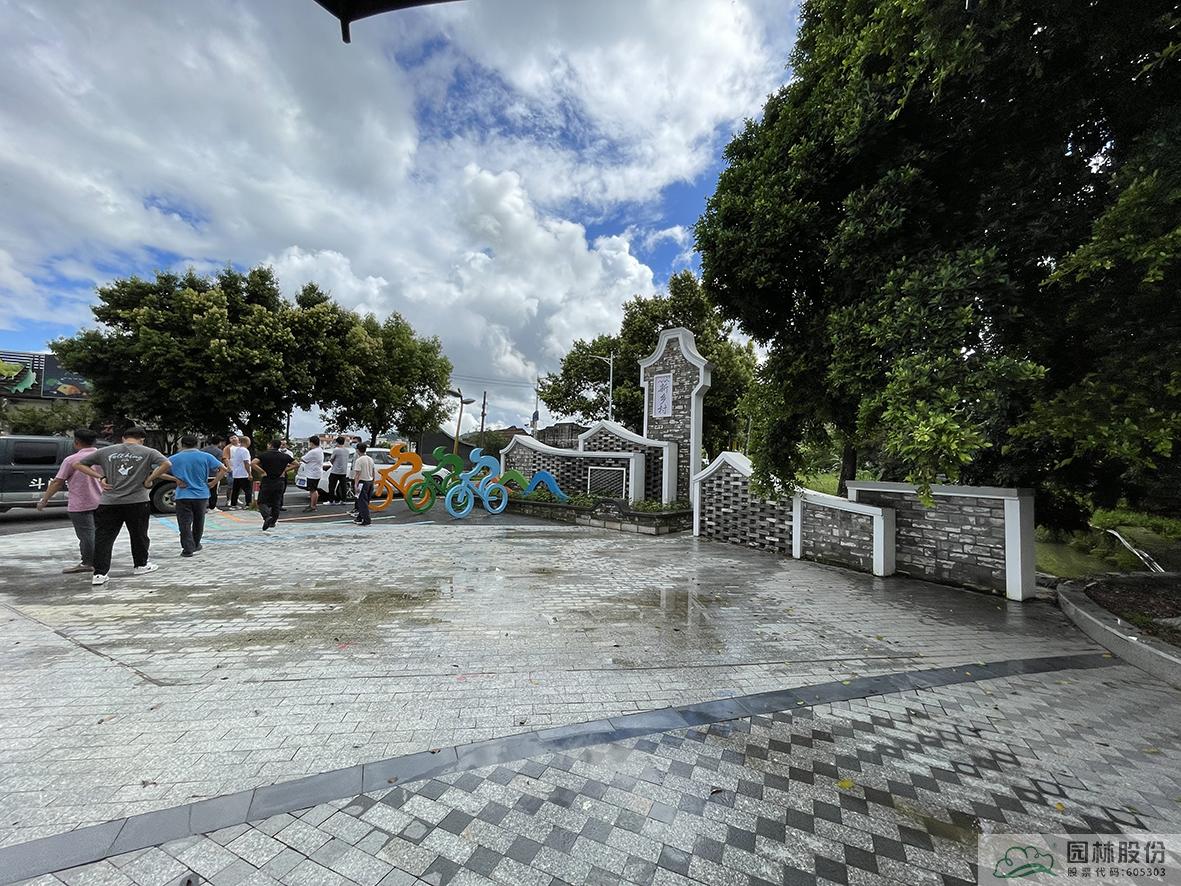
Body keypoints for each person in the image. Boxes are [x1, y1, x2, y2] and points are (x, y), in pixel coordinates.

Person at [74, 427, 170, 586]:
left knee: (104, 538)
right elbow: (166, 463)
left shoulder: (106, 451)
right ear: (142, 439)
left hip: (109, 501)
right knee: (139, 535)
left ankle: (99, 574)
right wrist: (149, 479)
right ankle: (140, 565)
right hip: (137, 501)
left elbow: (78, 464)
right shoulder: (148, 452)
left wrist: (100, 477)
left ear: (123, 438)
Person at [36, 428, 103, 573]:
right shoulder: (103, 458)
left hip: (80, 503)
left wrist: (44, 499)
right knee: (99, 534)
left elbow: (57, 482)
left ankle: (88, 563)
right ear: (94, 442)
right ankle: (100, 561)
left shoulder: (71, 460)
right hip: (102, 502)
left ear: (76, 442)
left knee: (87, 535)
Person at [167, 435, 226, 557]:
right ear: (197, 444)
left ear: (181, 444)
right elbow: (223, 469)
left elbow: (158, 471)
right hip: (201, 494)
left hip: (183, 494)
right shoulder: (206, 456)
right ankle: (196, 543)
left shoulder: (174, 458)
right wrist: (213, 483)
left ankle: (187, 548)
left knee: (184, 523)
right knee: (199, 521)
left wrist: (176, 479)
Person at [252, 440, 294, 530]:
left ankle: (267, 517)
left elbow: (253, 463)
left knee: (261, 501)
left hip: (267, 480)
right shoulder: (285, 456)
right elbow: (297, 464)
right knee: (276, 502)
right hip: (280, 481)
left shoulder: (264, 455)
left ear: (270, 445)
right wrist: (284, 471)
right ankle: (273, 522)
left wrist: (262, 471)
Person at [352, 443, 376, 526]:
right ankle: (359, 517)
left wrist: (355, 485)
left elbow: (357, 474)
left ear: (357, 450)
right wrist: (373, 481)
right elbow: (373, 471)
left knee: (362, 502)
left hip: (362, 482)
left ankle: (366, 520)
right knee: (366, 501)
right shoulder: (370, 459)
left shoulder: (359, 460)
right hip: (370, 481)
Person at [299, 435, 324, 512]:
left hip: (312, 473)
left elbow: (303, 459)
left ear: (312, 443)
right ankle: (312, 504)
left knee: (313, 490)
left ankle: (313, 506)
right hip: (316, 472)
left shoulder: (313, 452)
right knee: (313, 490)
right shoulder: (320, 450)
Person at [229, 435, 253, 508]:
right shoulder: (245, 451)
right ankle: (248, 504)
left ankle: (233, 504)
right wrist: (249, 473)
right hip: (244, 473)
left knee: (235, 490)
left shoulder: (237, 450)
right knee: (248, 490)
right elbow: (246, 462)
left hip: (236, 473)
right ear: (247, 442)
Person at [202, 435, 225, 511]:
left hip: (202, 473)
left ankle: (202, 506)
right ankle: (212, 507)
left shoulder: (202, 450)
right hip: (213, 474)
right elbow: (218, 464)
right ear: (219, 442)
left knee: (202, 491)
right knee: (213, 491)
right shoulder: (219, 452)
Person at [327, 436, 350, 504]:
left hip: (335, 471)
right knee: (343, 487)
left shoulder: (336, 450)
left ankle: (331, 501)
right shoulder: (347, 451)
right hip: (343, 471)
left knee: (331, 486)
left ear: (337, 442)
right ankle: (343, 500)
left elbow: (331, 460)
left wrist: (332, 462)